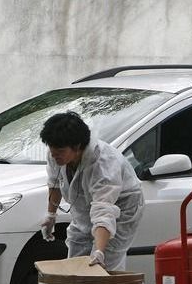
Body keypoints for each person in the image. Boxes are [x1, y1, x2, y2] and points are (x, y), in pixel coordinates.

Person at [40, 112, 144, 270]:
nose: (54, 156)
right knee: (77, 260)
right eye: (52, 150)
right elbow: (55, 182)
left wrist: (100, 251)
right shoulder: (56, 154)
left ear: (77, 146)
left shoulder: (104, 164)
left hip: (121, 206)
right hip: (86, 205)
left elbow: (104, 210)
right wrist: (51, 215)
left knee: (102, 264)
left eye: (60, 151)